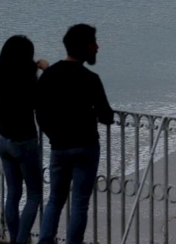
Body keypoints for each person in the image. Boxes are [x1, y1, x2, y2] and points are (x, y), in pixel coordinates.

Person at [36, 24, 114, 244]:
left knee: (55, 200)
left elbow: (40, 113)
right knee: (79, 203)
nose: (97, 48)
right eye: (94, 43)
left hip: (59, 147)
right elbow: (107, 116)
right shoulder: (90, 78)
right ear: (85, 47)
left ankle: (45, 240)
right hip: (86, 146)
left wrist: (54, 134)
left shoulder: (49, 75)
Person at [0, 36, 46, 244]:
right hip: (25, 141)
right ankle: (21, 240)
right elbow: (44, 99)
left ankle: (14, 237)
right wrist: (44, 70)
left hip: (4, 140)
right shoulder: (29, 80)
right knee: (34, 195)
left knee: (13, 193)